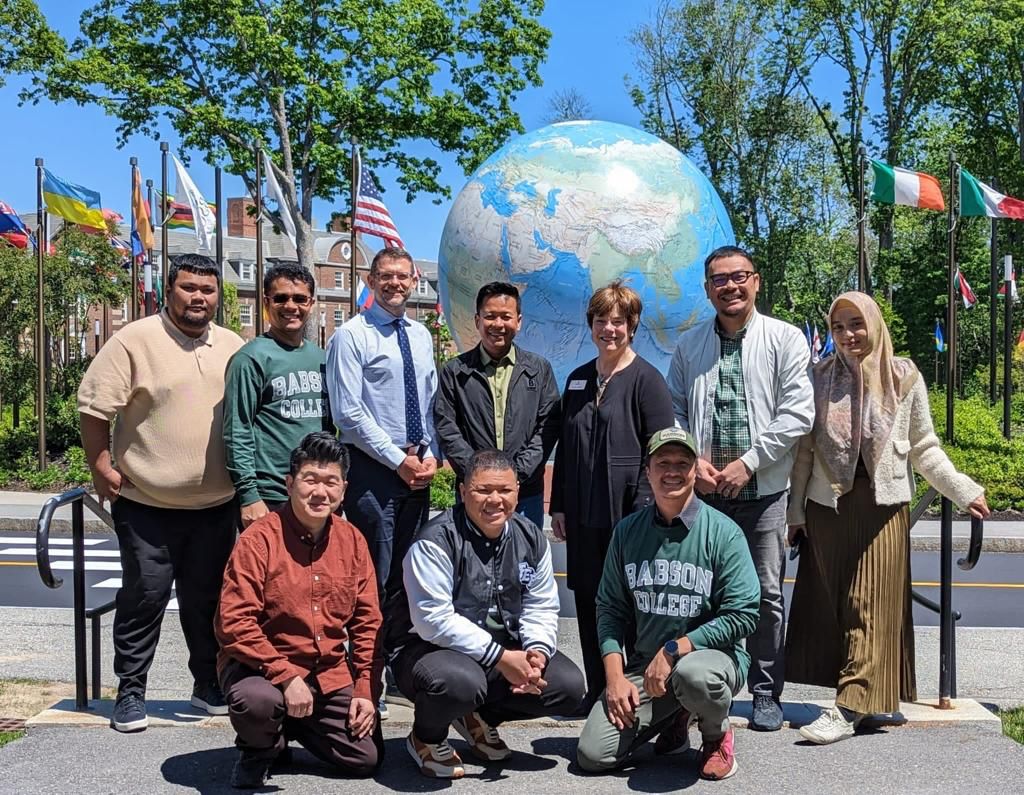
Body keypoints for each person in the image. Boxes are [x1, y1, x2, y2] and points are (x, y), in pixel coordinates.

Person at [786, 292, 990, 745]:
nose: (847, 335)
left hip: (884, 510)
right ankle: (871, 701)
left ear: (875, 324)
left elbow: (924, 446)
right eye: (838, 327)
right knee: (839, 609)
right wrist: (795, 512)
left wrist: (963, 489)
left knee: (868, 604)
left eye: (855, 324)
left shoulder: (904, 376)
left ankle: (847, 707)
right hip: (828, 510)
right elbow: (804, 454)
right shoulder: (818, 378)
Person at [77, 254, 244, 733]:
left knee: (207, 600)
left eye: (208, 290)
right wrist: (100, 464)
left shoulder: (233, 345)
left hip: (216, 504)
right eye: (189, 288)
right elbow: (95, 409)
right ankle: (131, 691)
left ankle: (206, 686)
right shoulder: (133, 340)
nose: (199, 298)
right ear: (169, 290)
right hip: (146, 502)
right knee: (146, 595)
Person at [667, 245, 813, 732]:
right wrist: (695, 461)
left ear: (756, 282)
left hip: (764, 494)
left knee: (765, 596)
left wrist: (748, 464)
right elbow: (675, 411)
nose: (729, 286)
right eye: (718, 280)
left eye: (738, 277)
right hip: (704, 496)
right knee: (701, 595)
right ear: (707, 289)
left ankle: (767, 692)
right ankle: (702, 691)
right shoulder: (689, 347)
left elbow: (798, 412)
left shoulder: (785, 339)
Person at [389, 449, 586, 779]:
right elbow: (433, 620)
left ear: (517, 492)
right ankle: (426, 737)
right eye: (483, 490)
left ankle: (475, 718)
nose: (495, 500)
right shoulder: (434, 540)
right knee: (461, 683)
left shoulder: (531, 537)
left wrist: (536, 652)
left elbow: (541, 605)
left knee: (567, 686)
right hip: (427, 651)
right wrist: (502, 658)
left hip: (497, 652)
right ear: (464, 492)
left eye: (504, 490)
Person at [576, 427, 760, 781]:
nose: (672, 471)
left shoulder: (723, 533)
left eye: (682, 462)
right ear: (648, 470)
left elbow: (745, 614)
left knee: (694, 676)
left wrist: (677, 648)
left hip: (712, 662)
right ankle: (676, 714)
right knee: (592, 755)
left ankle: (715, 735)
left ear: (695, 470)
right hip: (650, 667)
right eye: (663, 462)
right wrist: (614, 678)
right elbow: (610, 608)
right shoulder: (628, 532)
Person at [215, 432, 383, 788]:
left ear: (343, 490)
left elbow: (368, 624)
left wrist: (365, 690)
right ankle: (260, 746)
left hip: (327, 671)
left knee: (364, 759)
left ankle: (294, 724)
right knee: (257, 702)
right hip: (261, 668)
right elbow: (233, 621)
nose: (319, 492)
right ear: (290, 484)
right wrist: (286, 676)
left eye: (330, 483)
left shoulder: (352, 540)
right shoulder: (258, 539)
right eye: (310, 480)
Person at [550, 280, 675, 708]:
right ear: (591, 325)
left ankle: (637, 688)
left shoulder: (647, 380)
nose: (609, 329)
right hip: (583, 516)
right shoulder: (578, 380)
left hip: (630, 515)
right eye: (601, 321)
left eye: (618, 321)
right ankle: (598, 686)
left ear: (632, 326)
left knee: (631, 602)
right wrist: (559, 506)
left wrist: (647, 511)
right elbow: (565, 449)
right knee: (587, 596)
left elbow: (662, 454)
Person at [325, 246, 437, 716]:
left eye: (403, 276)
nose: (395, 283)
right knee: (372, 574)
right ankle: (362, 674)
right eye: (385, 276)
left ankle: (394, 670)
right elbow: (347, 413)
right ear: (371, 280)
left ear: (414, 281)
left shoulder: (421, 334)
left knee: (407, 577)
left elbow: (428, 401)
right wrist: (397, 460)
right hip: (374, 469)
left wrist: (431, 453)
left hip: (417, 470)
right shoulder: (351, 336)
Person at [434, 281, 560, 527]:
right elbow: (446, 427)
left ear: (519, 321)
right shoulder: (455, 372)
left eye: (506, 316)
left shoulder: (539, 370)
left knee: (523, 562)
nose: (498, 324)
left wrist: (515, 475)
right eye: (490, 316)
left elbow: (548, 426)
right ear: (477, 320)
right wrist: (480, 476)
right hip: (473, 494)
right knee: (471, 562)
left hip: (526, 494)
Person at [224, 262, 330, 528]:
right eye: (281, 298)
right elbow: (238, 430)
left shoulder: (322, 359)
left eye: (300, 299)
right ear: (266, 302)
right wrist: (249, 495)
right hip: (270, 496)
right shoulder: (251, 358)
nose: (291, 306)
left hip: (316, 493)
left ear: (311, 303)